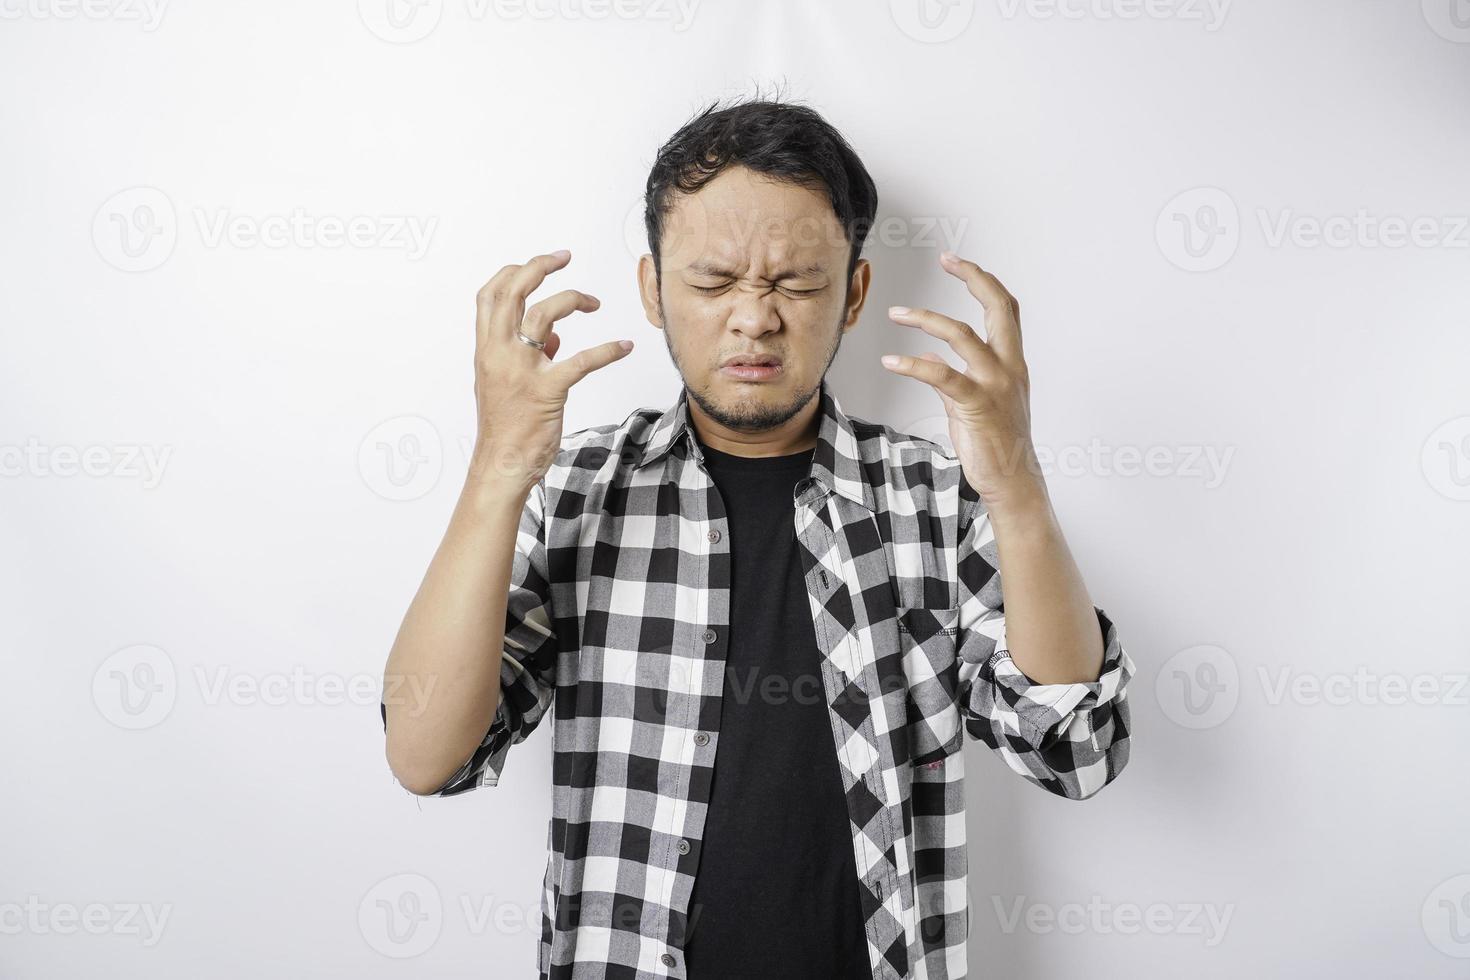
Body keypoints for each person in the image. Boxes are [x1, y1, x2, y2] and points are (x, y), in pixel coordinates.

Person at [380, 95, 1135, 980]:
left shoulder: (934, 496)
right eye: (712, 282)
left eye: (797, 283)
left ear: (853, 294)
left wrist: (1016, 483)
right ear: (653, 291)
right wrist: (498, 468)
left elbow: (1074, 750)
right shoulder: (581, 489)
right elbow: (426, 756)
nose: (754, 318)